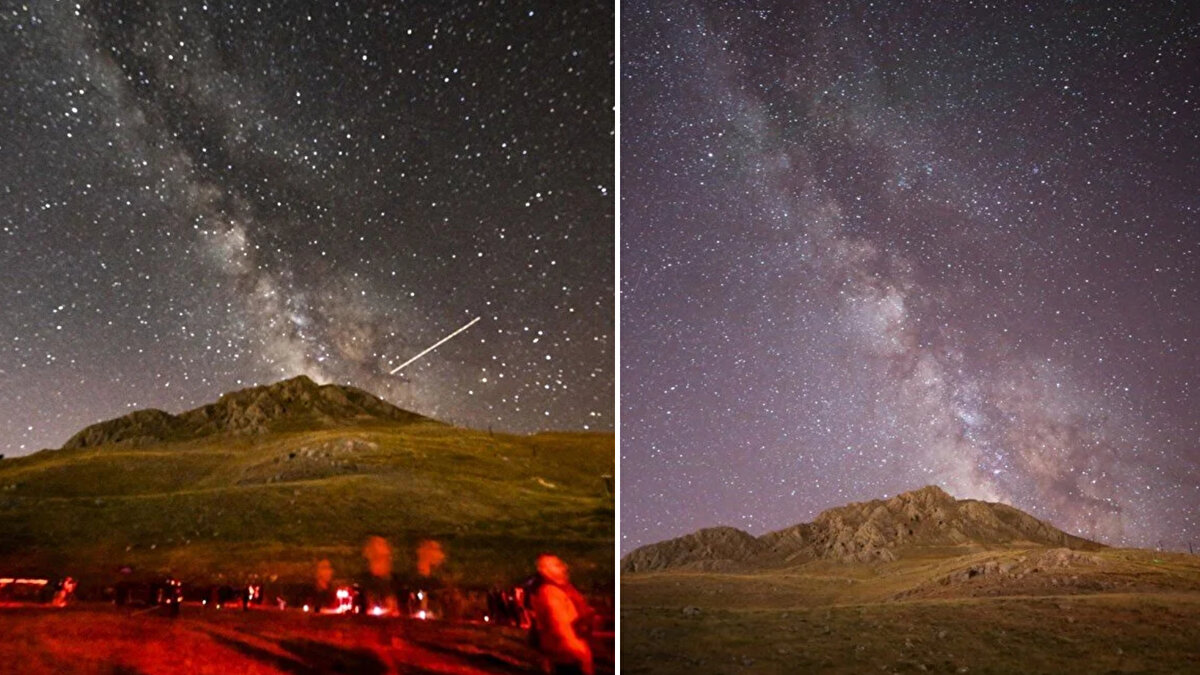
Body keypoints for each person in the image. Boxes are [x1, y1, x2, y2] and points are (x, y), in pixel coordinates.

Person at [530, 554, 594, 675]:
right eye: (557, 565)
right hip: (568, 654)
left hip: (568, 651)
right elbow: (560, 626)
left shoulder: (563, 589)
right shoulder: (551, 593)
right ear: (544, 570)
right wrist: (580, 652)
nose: (564, 567)